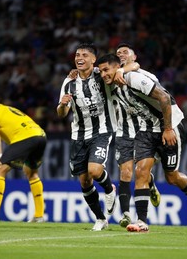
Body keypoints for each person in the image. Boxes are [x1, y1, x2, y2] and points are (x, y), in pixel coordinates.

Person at [96, 53, 187, 232]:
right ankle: (142, 221)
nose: (104, 74)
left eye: (107, 70)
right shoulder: (113, 85)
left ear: (117, 67)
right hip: (147, 129)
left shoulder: (133, 78)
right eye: (102, 71)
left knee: (171, 177)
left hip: (171, 126)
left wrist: (168, 129)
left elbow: (164, 97)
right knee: (141, 171)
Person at [57, 43, 139, 231]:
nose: (79, 58)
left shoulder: (102, 73)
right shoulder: (69, 82)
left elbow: (134, 66)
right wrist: (62, 105)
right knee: (85, 181)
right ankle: (101, 218)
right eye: (77, 55)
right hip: (78, 134)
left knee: (94, 170)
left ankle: (109, 189)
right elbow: (61, 113)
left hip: (102, 130)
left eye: (85, 55)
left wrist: (121, 71)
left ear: (93, 59)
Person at [0, 91, 46, 222]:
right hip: (40, 135)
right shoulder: (5, 108)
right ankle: (39, 216)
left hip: (25, 137)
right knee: (31, 172)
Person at [115, 43, 161, 227]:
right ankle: (126, 214)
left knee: (140, 172)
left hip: (145, 129)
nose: (120, 55)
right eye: (118, 53)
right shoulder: (111, 76)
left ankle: (151, 184)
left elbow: (136, 68)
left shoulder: (147, 76)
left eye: (125, 52)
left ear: (134, 57)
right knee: (125, 172)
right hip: (123, 131)